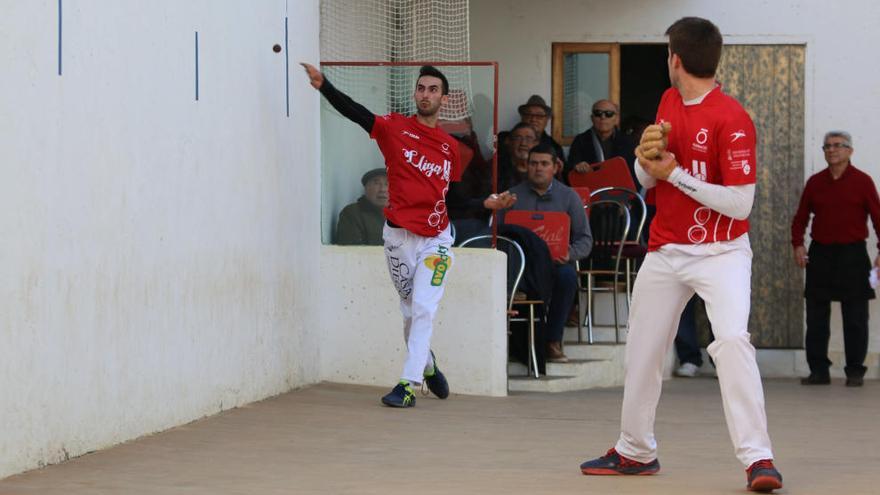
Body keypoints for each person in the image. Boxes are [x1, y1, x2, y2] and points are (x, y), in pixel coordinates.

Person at [578, 18, 783, 492]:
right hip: (667, 249)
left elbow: (740, 203)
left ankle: (759, 460)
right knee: (643, 349)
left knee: (731, 341)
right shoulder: (668, 101)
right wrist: (643, 163)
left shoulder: (732, 119)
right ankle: (634, 451)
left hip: (722, 252)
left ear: (675, 59)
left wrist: (675, 175)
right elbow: (648, 177)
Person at [301, 62, 516, 408]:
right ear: (415, 94)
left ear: (444, 99)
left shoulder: (452, 149)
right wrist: (325, 86)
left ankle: (407, 384)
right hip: (398, 238)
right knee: (409, 311)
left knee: (423, 309)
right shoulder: (393, 128)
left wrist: (486, 203)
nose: (426, 94)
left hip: (437, 239)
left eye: (433, 89)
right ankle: (427, 365)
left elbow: (456, 201)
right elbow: (357, 113)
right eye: (421, 88)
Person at [791, 130, 880, 387]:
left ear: (850, 151)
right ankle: (818, 371)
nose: (832, 150)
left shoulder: (863, 182)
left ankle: (854, 371)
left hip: (853, 255)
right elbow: (800, 218)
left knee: (856, 317)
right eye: (827, 146)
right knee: (816, 317)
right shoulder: (816, 182)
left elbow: (877, 217)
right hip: (821, 254)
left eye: (838, 146)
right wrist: (798, 245)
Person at [501, 142, 593, 362]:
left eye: (544, 164)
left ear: (555, 167)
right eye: (533, 163)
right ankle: (514, 344)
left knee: (568, 276)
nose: (538, 168)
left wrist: (569, 254)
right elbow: (498, 236)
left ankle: (552, 341)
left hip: (556, 264)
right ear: (526, 167)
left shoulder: (569, 197)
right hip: (520, 269)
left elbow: (586, 240)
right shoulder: (512, 196)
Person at [565, 99, 638, 189]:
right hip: (591, 192)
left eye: (608, 114)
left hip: (620, 193)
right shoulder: (581, 140)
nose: (603, 117)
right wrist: (577, 167)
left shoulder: (628, 142)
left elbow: (635, 173)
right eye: (598, 113)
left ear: (616, 119)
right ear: (592, 118)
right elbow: (569, 170)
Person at [336, 168, 388, 245]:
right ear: (366, 188)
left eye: (388, 184)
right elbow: (351, 253)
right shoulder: (352, 213)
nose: (383, 189)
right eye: (376, 183)